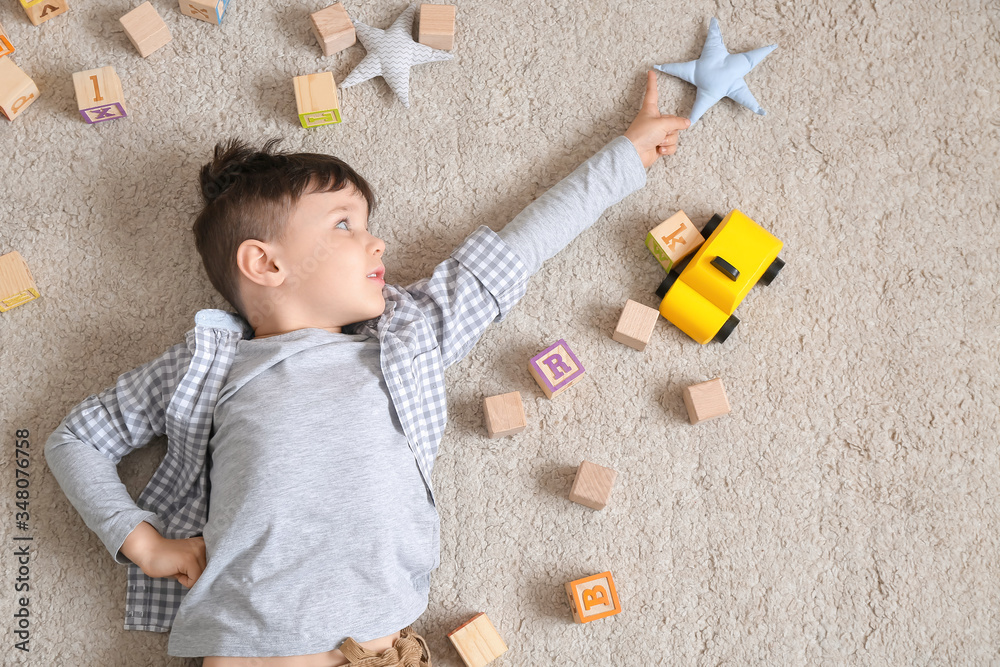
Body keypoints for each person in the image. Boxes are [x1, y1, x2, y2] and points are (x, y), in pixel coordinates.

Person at [43, 71, 689, 667]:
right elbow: (74, 439)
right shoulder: (208, 365)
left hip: (377, 648)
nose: (375, 240)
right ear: (264, 264)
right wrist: (144, 543)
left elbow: (517, 251)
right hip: (252, 649)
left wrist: (626, 156)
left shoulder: (409, 336)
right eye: (347, 223)